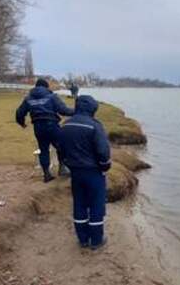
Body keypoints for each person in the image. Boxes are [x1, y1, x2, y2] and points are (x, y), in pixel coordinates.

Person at [59, 95, 111, 250]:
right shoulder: (95, 126)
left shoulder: (65, 125)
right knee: (96, 205)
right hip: (93, 172)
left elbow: (60, 148)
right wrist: (104, 166)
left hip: (75, 172)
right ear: (93, 109)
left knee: (79, 204)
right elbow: (103, 151)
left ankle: (82, 239)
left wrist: (68, 163)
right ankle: (96, 241)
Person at [16, 78, 74, 182]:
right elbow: (63, 110)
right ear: (46, 87)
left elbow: (19, 113)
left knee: (43, 149)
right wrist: (78, 111)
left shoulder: (28, 99)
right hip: (51, 125)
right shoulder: (52, 97)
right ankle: (62, 168)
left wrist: (22, 123)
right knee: (62, 146)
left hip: (38, 127)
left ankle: (47, 174)